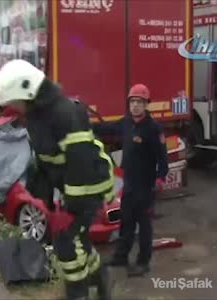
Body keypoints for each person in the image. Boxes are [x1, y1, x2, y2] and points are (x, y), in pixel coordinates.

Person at [0, 59, 115, 300]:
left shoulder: (64, 113)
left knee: (66, 243)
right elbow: (46, 160)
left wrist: (72, 208)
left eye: (14, 102)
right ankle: (101, 279)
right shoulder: (37, 116)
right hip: (72, 186)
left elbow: (81, 164)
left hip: (90, 186)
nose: (14, 108)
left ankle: (78, 293)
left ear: (28, 91)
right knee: (78, 238)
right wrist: (45, 197)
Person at [93, 84, 169, 277]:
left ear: (146, 104)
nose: (135, 106)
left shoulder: (153, 128)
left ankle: (143, 262)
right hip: (129, 184)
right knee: (125, 223)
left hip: (146, 187)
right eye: (133, 102)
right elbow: (106, 128)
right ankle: (121, 257)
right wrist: (84, 124)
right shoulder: (126, 122)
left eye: (139, 102)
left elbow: (163, 159)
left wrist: (159, 180)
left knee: (144, 227)